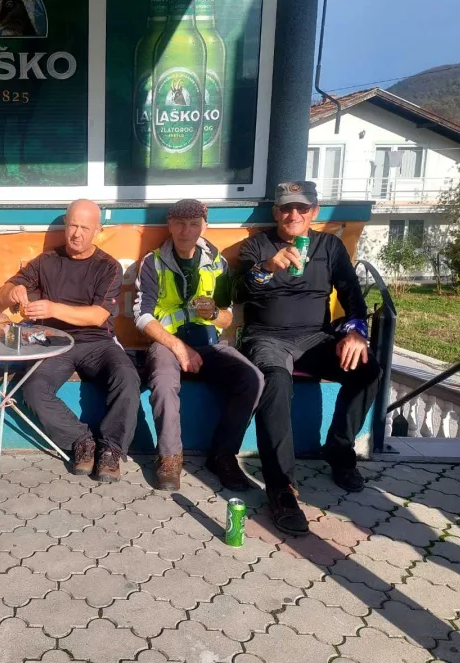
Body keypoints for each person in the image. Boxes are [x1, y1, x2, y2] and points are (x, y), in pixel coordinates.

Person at [235, 181, 381, 536]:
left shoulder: (329, 246)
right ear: (276, 212)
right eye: (286, 207)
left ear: (314, 212)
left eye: (302, 208)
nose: (293, 214)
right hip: (266, 337)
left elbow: (351, 295)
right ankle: (281, 487)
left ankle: (339, 451)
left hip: (315, 337)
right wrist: (267, 267)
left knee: (366, 369)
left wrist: (355, 333)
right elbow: (238, 292)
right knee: (275, 382)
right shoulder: (257, 245)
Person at [0, 199, 140, 483]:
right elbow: (5, 291)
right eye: (72, 225)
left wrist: (53, 309)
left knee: (127, 378)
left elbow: (98, 315)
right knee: (32, 389)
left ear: (97, 230)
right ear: (65, 224)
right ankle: (82, 441)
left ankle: (111, 449)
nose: (77, 234)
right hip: (55, 342)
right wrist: (13, 292)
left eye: (85, 228)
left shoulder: (108, 266)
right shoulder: (46, 261)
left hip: (98, 343)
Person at [134, 199, 263, 491]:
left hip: (209, 344)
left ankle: (223, 455)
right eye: (180, 223)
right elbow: (141, 316)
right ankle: (169, 458)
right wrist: (179, 347)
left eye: (194, 224)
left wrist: (214, 314)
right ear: (169, 225)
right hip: (167, 343)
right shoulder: (153, 261)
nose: (186, 231)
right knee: (163, 382)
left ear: (204, 226)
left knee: (253, 378)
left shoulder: (217, 262)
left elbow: (228, 317)